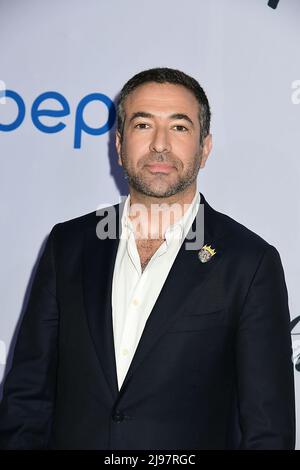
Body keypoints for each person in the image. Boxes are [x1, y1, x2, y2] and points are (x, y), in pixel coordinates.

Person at [0, 68, 295, 450]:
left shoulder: (249, 263)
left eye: (179, 127)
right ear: (119, 144)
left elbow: (267, 431)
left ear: (205, 148)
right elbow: (26, 399)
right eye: (143, 125)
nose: (160, 144)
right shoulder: (68, 245)